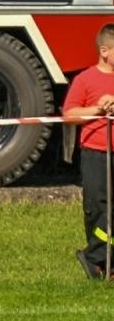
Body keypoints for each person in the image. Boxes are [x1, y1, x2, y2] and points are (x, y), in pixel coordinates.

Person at [62, 23, 114, 281]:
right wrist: (98, 110)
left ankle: (102, 260)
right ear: (104, 51)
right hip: (97, 153)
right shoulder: (85, 79)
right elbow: (69, 114)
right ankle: (97, 259)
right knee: (99, 208)